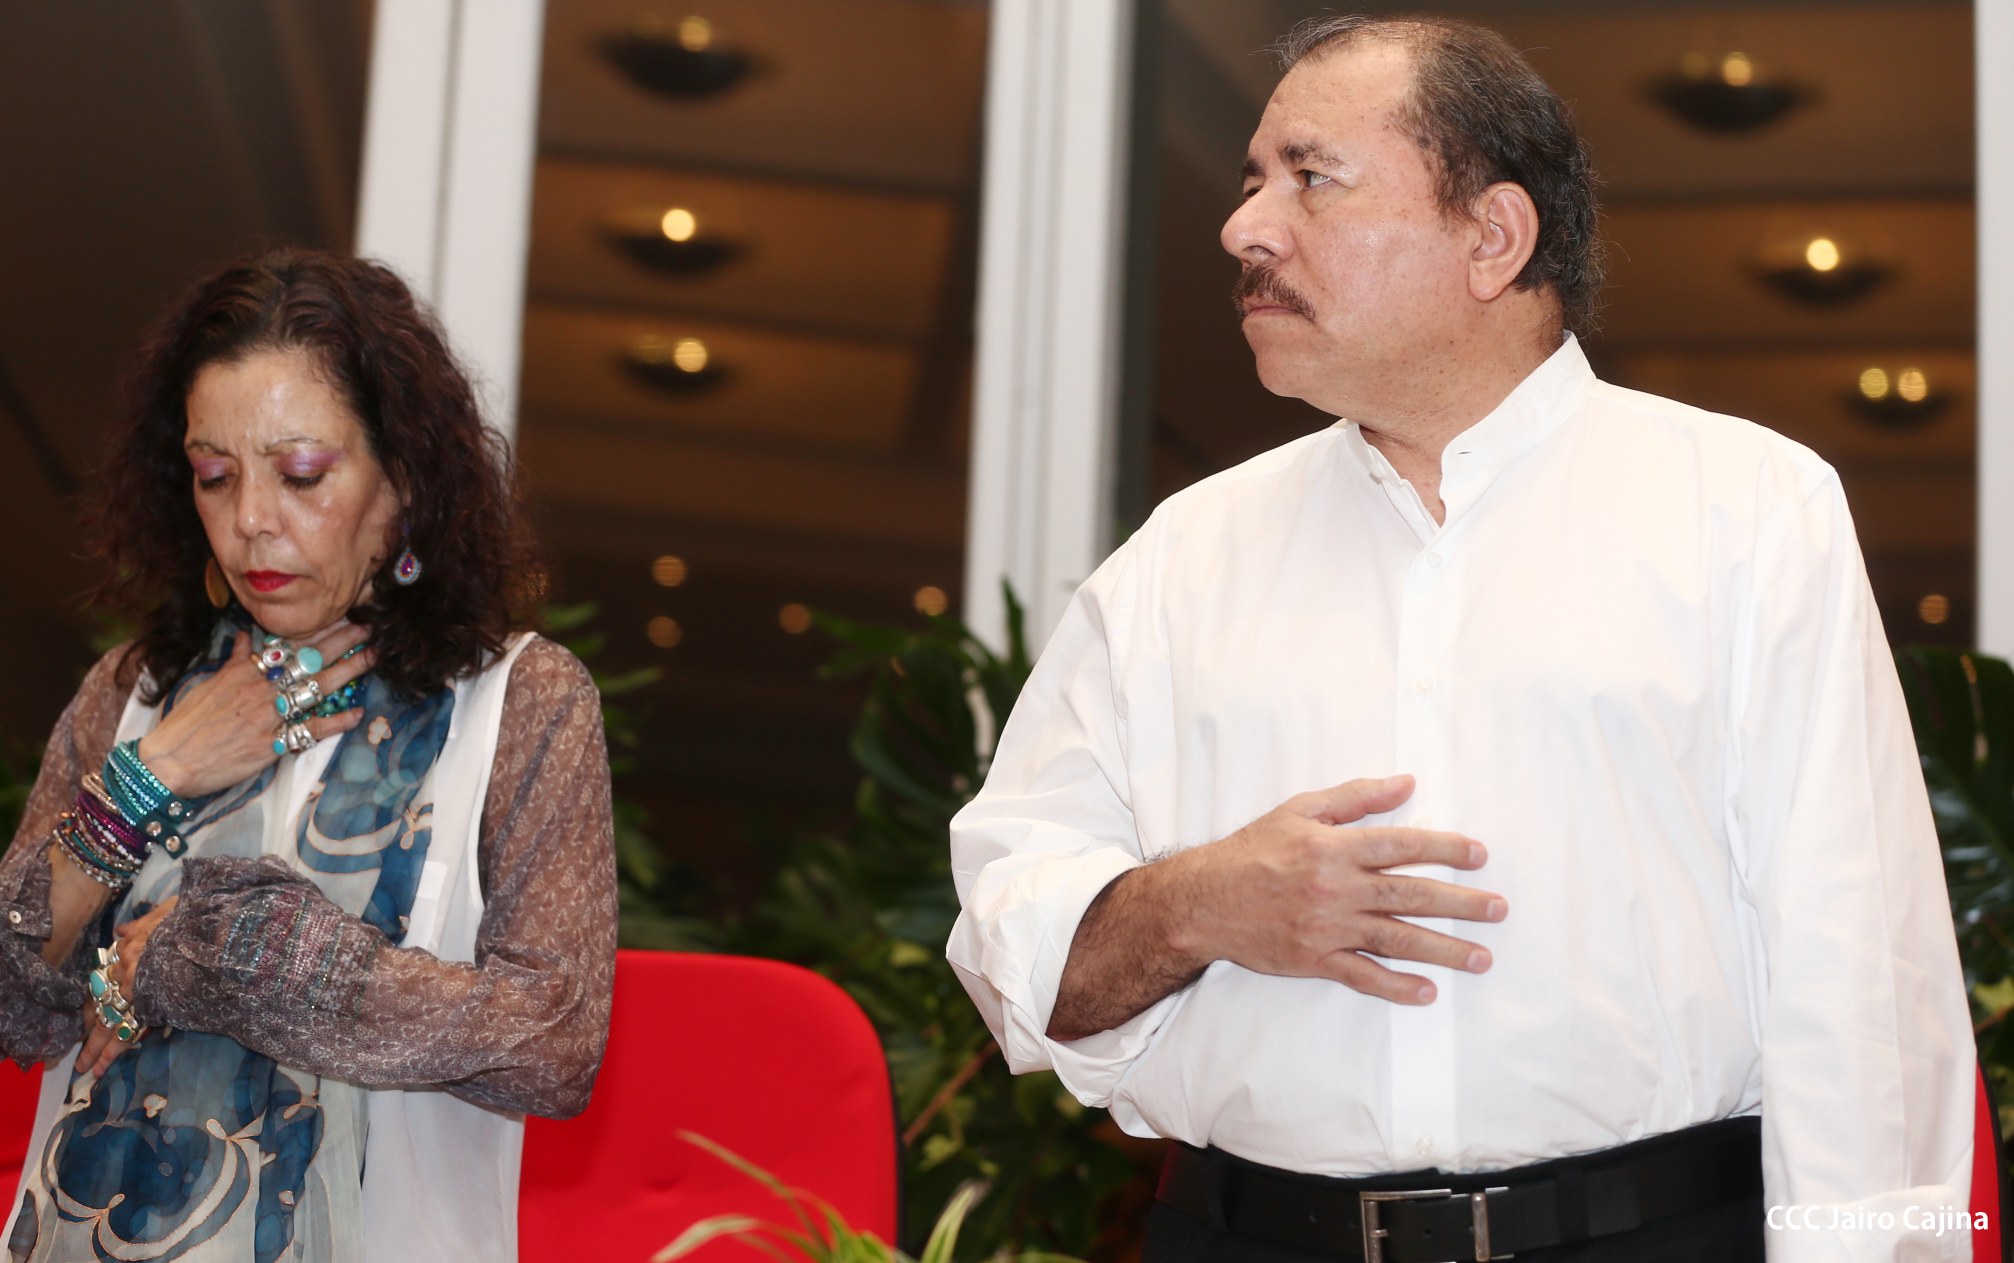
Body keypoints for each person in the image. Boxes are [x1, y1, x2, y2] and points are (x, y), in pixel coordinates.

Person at [947, 15, 1973, 1263]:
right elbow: (1013, 962)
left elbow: (1862, 987)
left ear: (1492, 238)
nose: (1245, 227)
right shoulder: (1178, 559)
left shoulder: (1747, 512)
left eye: (1310, 178)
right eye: (1252, 180)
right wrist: (1196, 906)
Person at [0, 249, 618, 1262]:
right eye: (214, 475)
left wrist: (204, 956)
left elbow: (553, 1044)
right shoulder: (133, 693)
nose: (250, 520)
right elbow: (12, 997)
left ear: (402, 480)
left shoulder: (521, 702)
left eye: (300, 474)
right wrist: (148, 776)